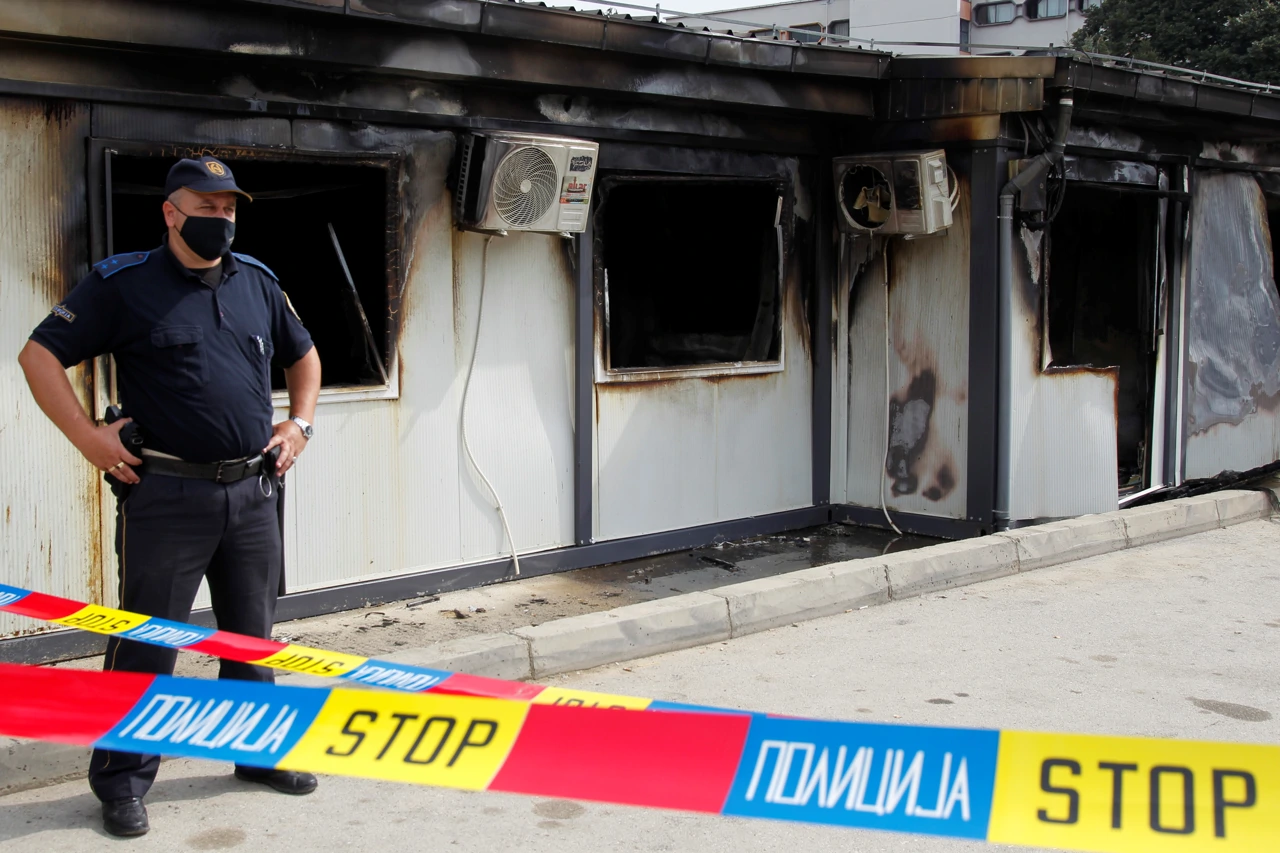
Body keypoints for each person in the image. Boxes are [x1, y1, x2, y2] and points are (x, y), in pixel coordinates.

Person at [17, 156, 323, 838]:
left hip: (251, 492)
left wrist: (298, 425)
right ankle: (122, 781)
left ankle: (257, 752)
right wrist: (88, 438)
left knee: (252, 638)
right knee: (148, 644)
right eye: (207, 207)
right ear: (170, 211)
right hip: (168, 496)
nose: (221, 220)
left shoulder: (259, 283)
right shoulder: (122, 284)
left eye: (229, 208)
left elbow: (305, 356)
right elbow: (38, 355)